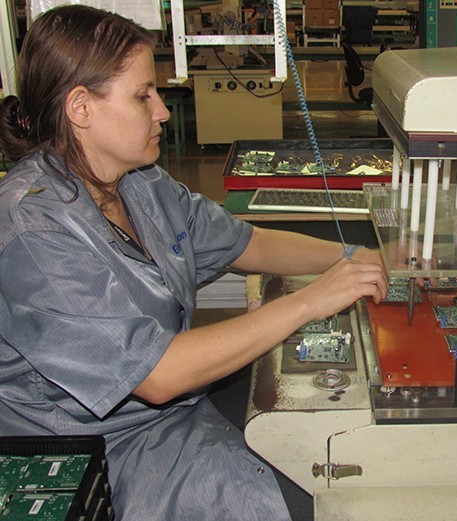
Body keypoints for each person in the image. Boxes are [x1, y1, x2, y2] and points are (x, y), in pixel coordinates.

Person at [0, 5, 387, 520]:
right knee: (317, 497)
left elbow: (249, 243)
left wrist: (360, 256)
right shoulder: (33, 232)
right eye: (143, 96)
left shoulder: (140, 183)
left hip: (173, 412)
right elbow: (157, 374)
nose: (161, 110)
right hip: (102, 453)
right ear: (80, 107)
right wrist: (312, 300)